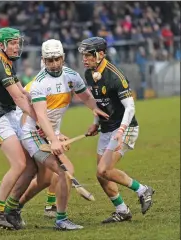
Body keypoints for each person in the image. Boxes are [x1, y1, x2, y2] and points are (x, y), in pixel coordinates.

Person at [0, 39, 109, 230]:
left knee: (44, 179)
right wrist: (54, 139)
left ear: (63, 58)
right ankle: (60, 218)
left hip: (47, 133)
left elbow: (86, 96)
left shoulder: (72, 76)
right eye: (49, 60)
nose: (54, 64)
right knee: (64, 171)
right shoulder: (39, 83)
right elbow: (40, 115)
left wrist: (95, 111)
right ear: (43, 60)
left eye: (57, 59)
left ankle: (12, 208)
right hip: (33, 135)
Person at [78, 37, 155, 223]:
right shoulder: (89, 73)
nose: (84, 59)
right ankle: (122, 210)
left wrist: (121, 131)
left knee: (104, 169)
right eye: (83, 55)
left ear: (101, 54)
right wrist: (95, 123)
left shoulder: (115, 76)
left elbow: (130, 107)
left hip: (125, 128)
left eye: (88, 55)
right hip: (106, 128)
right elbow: (99, 103)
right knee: (100, 174)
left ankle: (143, 190)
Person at [0, 27, 38, 229]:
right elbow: (19, 98)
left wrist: (40, 98)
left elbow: (24, 92)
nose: (16, 46)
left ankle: (10, 208)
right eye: (12, 43)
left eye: (17, 42)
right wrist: (39, 119)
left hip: (9, 116)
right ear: (1, 45)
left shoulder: (7, 64)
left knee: (32, 165)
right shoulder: (0, 67)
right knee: (19, 164)